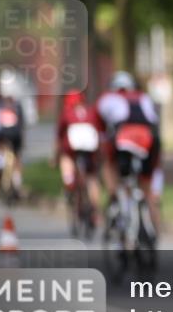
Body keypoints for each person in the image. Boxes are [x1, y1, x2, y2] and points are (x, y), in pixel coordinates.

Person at [95, 71, 163, 235]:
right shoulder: (144, 97)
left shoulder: (106, 99)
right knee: (147, 186)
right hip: (150, 139)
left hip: (124, 138)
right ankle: (153, 228)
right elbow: (154, 121)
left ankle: (116, 199)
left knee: (111, 167)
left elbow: (101, 131)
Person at [55, 90, 103, 228]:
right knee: (92, 178)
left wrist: (55, 157)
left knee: (66, 160)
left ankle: (69, 183)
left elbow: (59, 136)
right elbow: (99, 132)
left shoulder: (66, 113)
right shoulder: (91, 111)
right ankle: (95, 210)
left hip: (72, 150)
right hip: (90, 149)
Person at [0, 91, 26, 197]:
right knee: (16, 157)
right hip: (13, 136)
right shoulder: (17, 106)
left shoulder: (0, 106)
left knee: (5, 153)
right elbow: (22, 125)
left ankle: (12, 180)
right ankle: (16, 182)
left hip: (6, 136)